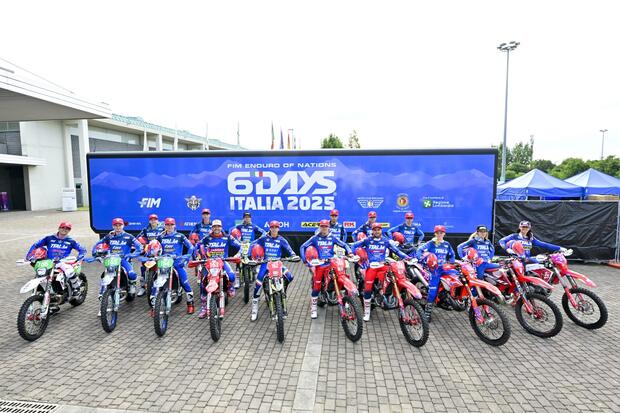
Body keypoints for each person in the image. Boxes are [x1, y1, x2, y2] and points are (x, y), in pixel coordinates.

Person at [351, 222, 409, 322]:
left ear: (381, 231)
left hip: (383, 266)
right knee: (367, 289)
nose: (377, 231)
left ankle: (389, 298)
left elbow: (396, 251)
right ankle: (367, 313)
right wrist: (352, 255)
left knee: (393, 280)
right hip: (372, 267)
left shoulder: (385, 241)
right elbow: (354, 245)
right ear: (372, 231)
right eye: (375, 230)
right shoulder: (367, 240)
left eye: (378, 230)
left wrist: (407, 257)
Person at [301, 219, 353, 319]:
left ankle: (347, 301)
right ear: (319, 227)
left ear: (328, 227)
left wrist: (349, 252)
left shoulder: (332, 237)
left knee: (342, 277)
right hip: (320, 265)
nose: (324, 228)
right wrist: (304, 260)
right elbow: (302, 247)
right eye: (322, 226)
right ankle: (313, 308)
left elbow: (344, 244)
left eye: (326, 226)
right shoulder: (315, 238)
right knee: (317, 286)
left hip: (332, 263)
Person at [248, 220, 300, 321]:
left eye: (276, 227)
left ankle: (282, 290)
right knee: (258, 284)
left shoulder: (282, 240)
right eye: (272, 227)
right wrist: (249, 256)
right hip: (265, 264)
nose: (274, 229)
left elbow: (290, 250)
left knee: (290, 276)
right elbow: (252, 244)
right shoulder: (264, 238)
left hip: (278, 263)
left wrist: (293, 255)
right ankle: (254, 308)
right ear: (270, 228)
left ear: (278, 228)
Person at [26, 221, 86, 297]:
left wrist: (79, 258)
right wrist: (29, 255)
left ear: (69, 230)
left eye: (67, 228)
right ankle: (45, 291)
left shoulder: (71, 241)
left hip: (62, 262)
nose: (65, 229)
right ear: (59, 228)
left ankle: (76, 288)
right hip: (48, 262)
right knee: (40, 273)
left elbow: (82, 250)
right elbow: (35, 245)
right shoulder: (49, 238)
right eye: (63, 227)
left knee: (69, 272)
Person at [197, 219, 241, 318]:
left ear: (221, 227)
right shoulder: (207, 238)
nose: (216, 228)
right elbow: (198, 245)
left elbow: (239, 246)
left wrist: (237, 255)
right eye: (214, 226)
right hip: (209, 263)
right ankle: (204, 308)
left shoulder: (227, 237)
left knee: (232, 276)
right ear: (212, 228)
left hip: (222, 261)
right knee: (203, 282)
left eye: (218, 226)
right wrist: (198, 254)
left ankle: (229, 288)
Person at [92, 218, 142, 299]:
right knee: (104, 275)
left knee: (131, 274)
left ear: (123, 226)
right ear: (113, 226)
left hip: (124, 260)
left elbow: (140, 246)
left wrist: (133, 254)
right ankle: (102, 292)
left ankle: (132, 284)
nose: (118, 227)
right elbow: (99, 243)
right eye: (116, 225)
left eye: (120, 225)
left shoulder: (129, 236)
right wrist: (95, 252)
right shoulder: (109, 236)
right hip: (111, 260)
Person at [416, 225, 457, 322]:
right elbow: (419, 250)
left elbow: (452, 254)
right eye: (437, 233)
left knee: (458, 277)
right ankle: (427, 313)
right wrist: (420, 259)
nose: (439, 234)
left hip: (444, 268)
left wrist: (452, 262)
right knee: (433, 291)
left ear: (444, 233)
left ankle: (450, 300)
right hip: (434, 270)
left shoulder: (447, 244)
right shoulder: (431, 243)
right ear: (435, 233)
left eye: (441, 232)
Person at [156, 217, 196, 314]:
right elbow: (154, 247)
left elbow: (191, 247)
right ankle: (155, 307)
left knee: (184, 282)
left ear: (174, 225)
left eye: (171, 224)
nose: (169, 226)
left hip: (177, 263)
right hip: (164, 263)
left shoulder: (180, 236)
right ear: (164, 225)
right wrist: (152, 254)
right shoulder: (160, 237)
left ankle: (190, 304)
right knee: (155, 283)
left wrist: (186, 257)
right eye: (167, 225)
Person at [498, 221, 566, 262]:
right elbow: (501, 241)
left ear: (529, 228)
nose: (524, 228)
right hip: (516, 261)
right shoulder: (514, 236)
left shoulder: (531, 238)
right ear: (520, 227)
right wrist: (507, 249)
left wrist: (559, 248)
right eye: (523, 227)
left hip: (527, 259)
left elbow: (544, 244)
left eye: (526, 227)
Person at [229, 212, 265, 288]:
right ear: (243, 218)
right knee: (238, 263)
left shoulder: (253, 226)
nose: (247, 218)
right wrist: (234, 239)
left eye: (248, 217)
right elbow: (231, 230)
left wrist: (259, 239)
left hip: (251, 246)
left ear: (250, 218)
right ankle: (237, 281)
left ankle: (255, 270)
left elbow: (263, 232)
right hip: (242, 246)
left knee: (253, 260)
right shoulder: (240, 226)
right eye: (245, 217)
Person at [136, 214, 164, 296]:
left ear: (157, 221)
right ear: (149, 221)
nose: (153, 221)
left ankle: (163, 285)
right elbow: (138, 238)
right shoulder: (146, 229)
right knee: (143, 268)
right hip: (148, 252)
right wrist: (143, 244)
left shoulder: (162, 229)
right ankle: (143, 287)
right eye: (151, 220)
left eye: (155, 219)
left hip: (160, 251)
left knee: (162, 267)